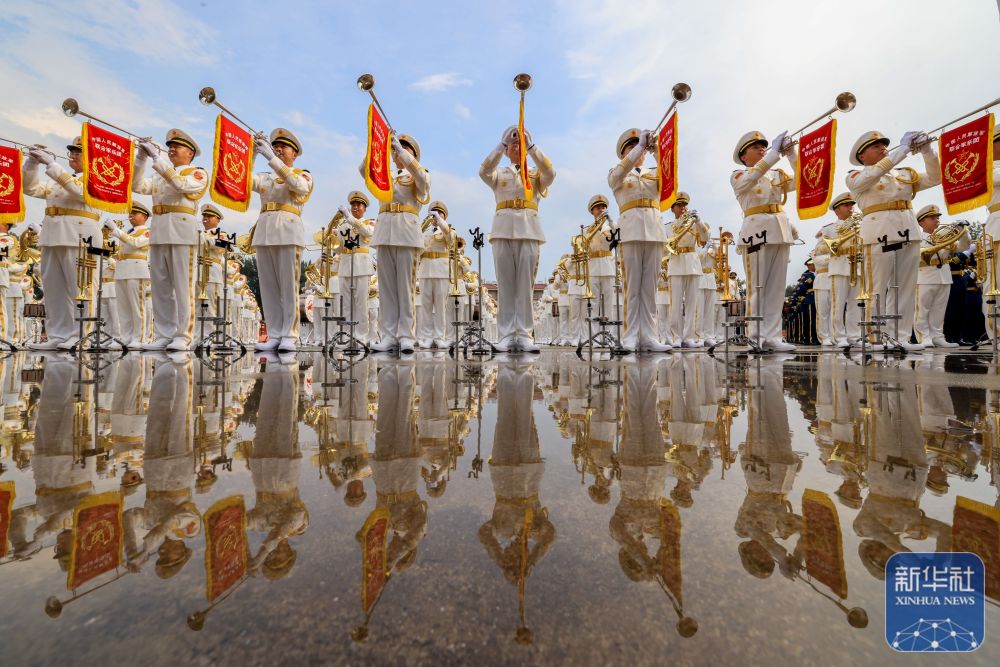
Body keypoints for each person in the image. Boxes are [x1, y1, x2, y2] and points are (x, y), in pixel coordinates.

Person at [847, 129, 941, 352]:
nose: (882, 148)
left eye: (884, 145)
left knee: (905, 287)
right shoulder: (855, 176)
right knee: (877, 287)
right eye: (875, 146)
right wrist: (903, 150)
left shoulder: (903, 173)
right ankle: (874, 336)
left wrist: (928, 152)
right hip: (879, 234)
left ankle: (900, 336)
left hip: (908, 231)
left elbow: (935, 178)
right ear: (862, 156)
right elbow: (868, 178)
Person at [132, 129, 208, 351]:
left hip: (182, 233)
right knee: (161, 287)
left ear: (190, 153)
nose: (172, 149)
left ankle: (184, 335)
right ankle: (164, 335)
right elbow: (137, 185)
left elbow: (182, 185)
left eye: (177, 146)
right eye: (170, 146)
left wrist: (157, 158)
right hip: (159, 232)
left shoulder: (197, 173)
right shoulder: (160, 173)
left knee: (183, 287)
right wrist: (141, 158)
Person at [480, 126, 556, 352]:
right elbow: (483, 171)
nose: (516, 145)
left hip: (529, 229)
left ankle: (524, 334)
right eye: (512, 144)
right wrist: (502, 143)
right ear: (505, 151)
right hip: (502, 229)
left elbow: (551, 174)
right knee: (505, 285)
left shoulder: (535, 173)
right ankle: (505, 335)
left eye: (519, 143)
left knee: (525, 286)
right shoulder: (499, 173)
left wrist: (531, 146)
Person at [22, 136, 101, 350]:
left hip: (81, 238)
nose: (73, 155)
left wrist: (51, 164)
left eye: (78, 152)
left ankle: (82, 335)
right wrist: (32, 163)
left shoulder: (97, 178)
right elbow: (30, 188)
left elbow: (80, 191)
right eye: (72, 151)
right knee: (54, 290)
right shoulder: (59, 179)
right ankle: (58, 335)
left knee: (82, 288)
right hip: (52, 237)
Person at [731, 130, 799, 351]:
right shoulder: (738, 175)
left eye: (763, 146)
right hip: (756, 232)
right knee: (757, 287)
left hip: (779, 230)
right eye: (755, 147)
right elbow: (751, 178)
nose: (762, 149)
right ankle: (755, 336)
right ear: (743, 156)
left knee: (777, 289)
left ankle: (773, 337)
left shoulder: (776, 174)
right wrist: (773, 156)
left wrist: (792, 155)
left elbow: (802, 181)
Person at [366, 134, 430, 354]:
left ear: (414, 154)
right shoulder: (386, 175)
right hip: (384, 231)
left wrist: (402, 153)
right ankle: (388, 335)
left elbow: (424, 182)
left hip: (406, 233)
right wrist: (377, 147)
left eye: (404, 149)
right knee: (387, 289)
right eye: (395, 149)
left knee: (405, 287)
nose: (397, 152)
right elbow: (364, 170)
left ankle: (405, 335)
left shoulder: (418, 173)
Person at [609, 128, 671, 353]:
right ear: (624, 153)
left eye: (641, 147)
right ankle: (630, 335)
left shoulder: (654, 173)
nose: (639, 151)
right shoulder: (618, 172)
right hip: (631, 230)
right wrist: (639, 147)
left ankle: (649, 336)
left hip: (654, 229)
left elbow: (670, 180)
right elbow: (615, 177)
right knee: (632, 287)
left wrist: (657, 151)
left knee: (649, 289)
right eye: (632, 147)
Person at [251, 128, 312, 353]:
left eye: (282, 147)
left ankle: (290, 334)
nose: (277, 149)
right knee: (268, 288)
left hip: (288, 232)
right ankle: (275, 334)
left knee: (288, 287)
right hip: (264, 232)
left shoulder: (302, 174)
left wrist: (272, 159)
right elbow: (241, 180)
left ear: (294, 153)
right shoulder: (265, 177)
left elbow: (300, 187)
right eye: (275, 146)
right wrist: (252, 154)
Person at [914, 205, 966, 347]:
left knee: (939, 310)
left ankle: (937, 336)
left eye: (937, 218)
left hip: (944, 276)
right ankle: (923, 337)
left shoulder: (944, 237)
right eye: (932, 218)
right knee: (922, 310)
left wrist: (963, 232)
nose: (937, 220)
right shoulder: (917, 239)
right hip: (925, 276)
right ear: (922, 222)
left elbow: (963, 247)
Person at [664, 192, 710, 347]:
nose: (683, 207)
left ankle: (689, 337)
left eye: (685, 205)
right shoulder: (668, 227)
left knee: (692, 304)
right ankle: (675, 337)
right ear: (672, 209)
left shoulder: (695, 224)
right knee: (675, 304)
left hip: (692, 264)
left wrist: (700, 221)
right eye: (679, 205)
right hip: (676, 264)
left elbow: (704, 240)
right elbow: (664, 248)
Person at [334, 191, 376, 345]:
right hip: (345, 265)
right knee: (346, 303)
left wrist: (349, 218)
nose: (355, 207)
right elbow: (339, 246)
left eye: (358, 205)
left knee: (361, 303)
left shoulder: (370, 223)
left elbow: (368, 233)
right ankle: (346, 334)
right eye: (353, 205)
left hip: (362, 266)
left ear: (364, 208)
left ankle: (361, 335)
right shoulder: (343, 225)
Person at [417, 200, 455, 348]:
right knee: (426, 306)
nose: (435, 216)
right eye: (433, 214)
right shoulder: (424, 232)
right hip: (425, 270)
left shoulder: (447, 230)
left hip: (441, 271)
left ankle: (439, 337)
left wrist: (440, 222)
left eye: (439, 214)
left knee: (440, 307)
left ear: (444, 216)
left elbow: (451, 240)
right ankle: (427, 337)